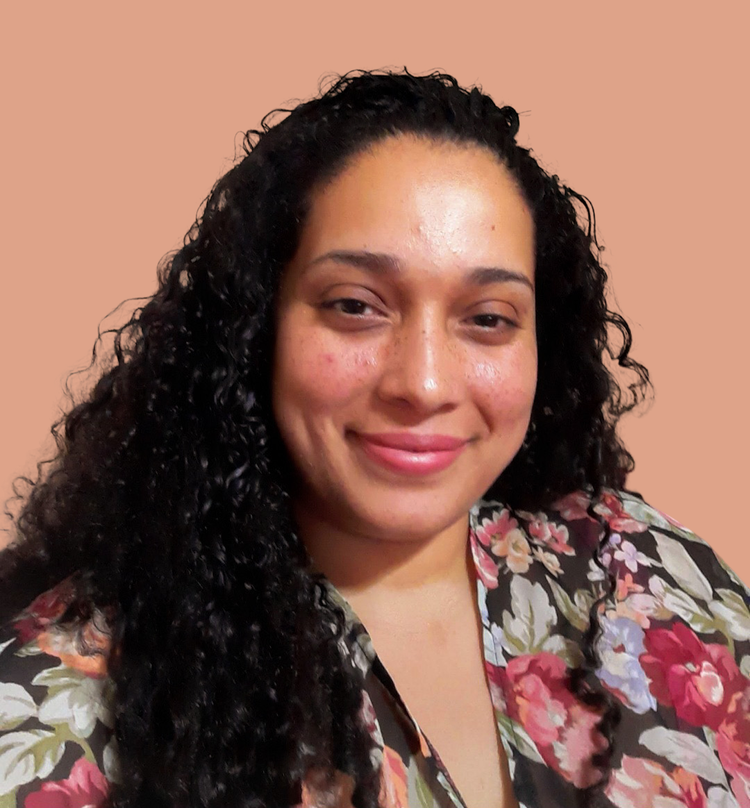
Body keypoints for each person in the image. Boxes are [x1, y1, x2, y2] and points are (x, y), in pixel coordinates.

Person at [0, 68, 748, 808]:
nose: (423, 385)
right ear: (256, 331)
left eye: (488, 317)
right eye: (356, 306)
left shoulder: (647, 577)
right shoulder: (59, 702)